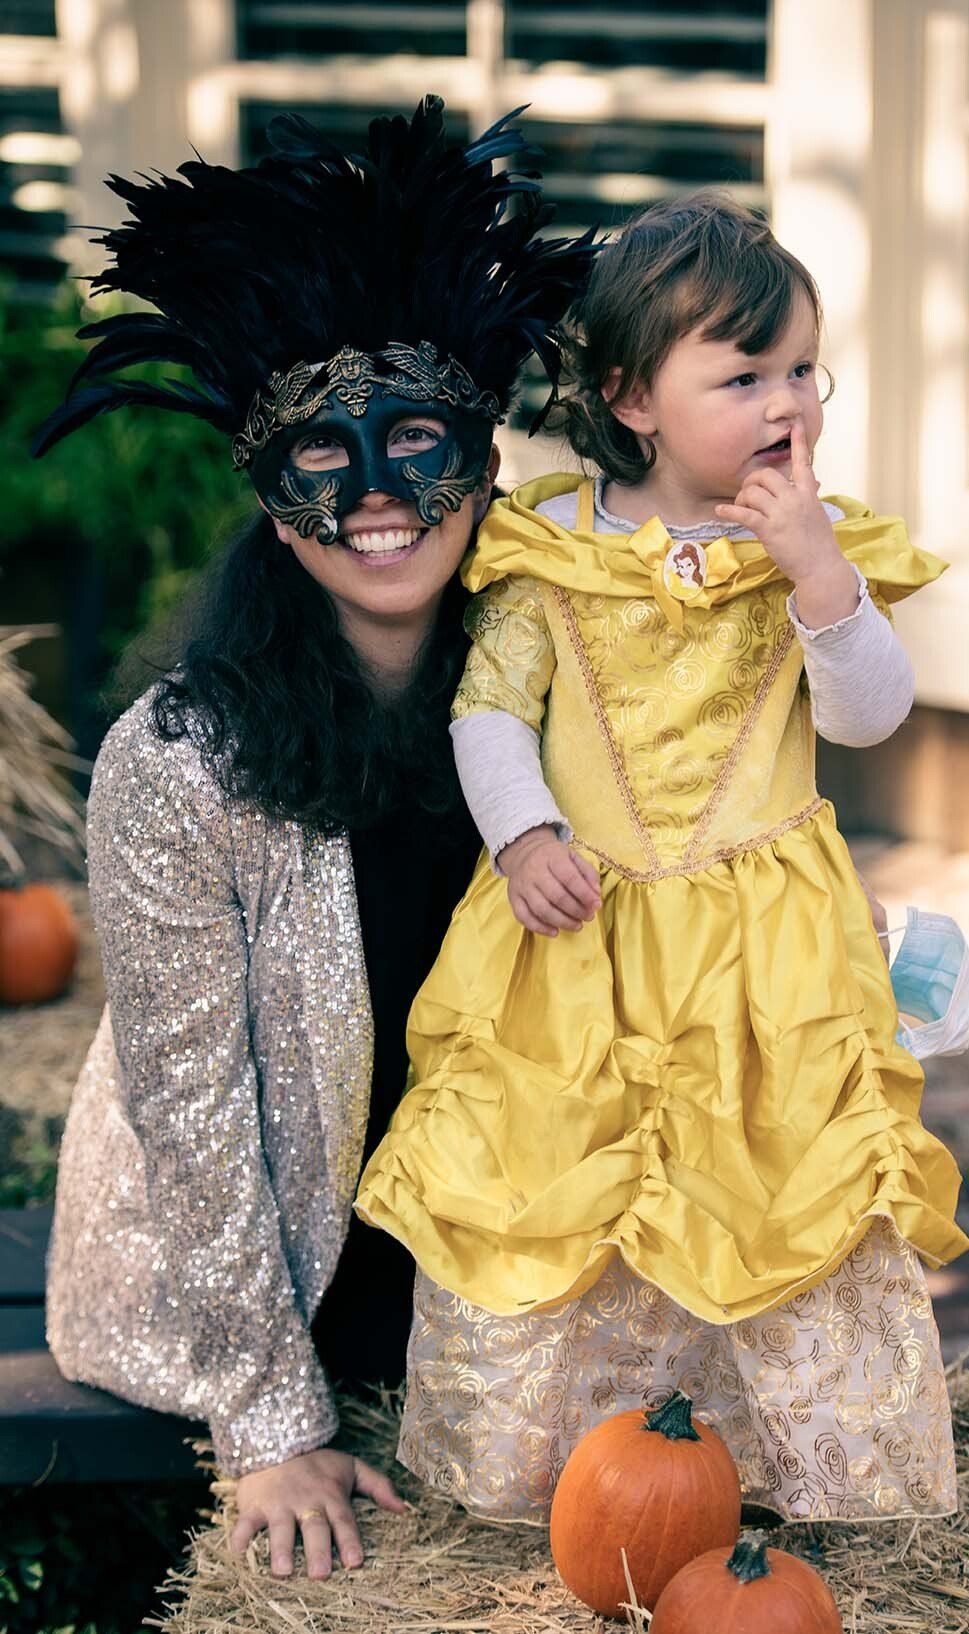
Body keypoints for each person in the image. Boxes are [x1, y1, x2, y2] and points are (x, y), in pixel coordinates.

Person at [35, 98, 596, 1578]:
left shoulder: (557, 704)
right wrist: (273, 1424)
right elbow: (193, 1110)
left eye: (416, 442)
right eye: (321, 459)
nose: (378, 499)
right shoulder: (181, 761)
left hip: (483, 1248)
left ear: (482, 465)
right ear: (273, 504)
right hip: (270, 1271)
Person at [356, 192, 969, 1526]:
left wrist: (818, 577)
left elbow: (869, 714)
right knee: (575, 1161)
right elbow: (490, 710)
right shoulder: (556, 550)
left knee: (769, 1169)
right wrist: (524, 831)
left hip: (764, 944)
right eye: (742, 377)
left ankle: (786, 1455)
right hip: (586, 931)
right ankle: (584, 1462)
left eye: (802, 369)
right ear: (633, 398)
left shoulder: (810, 543)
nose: (786, 402)